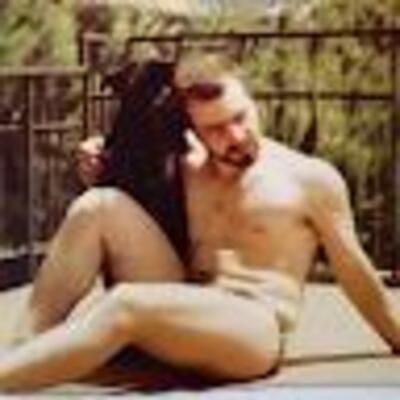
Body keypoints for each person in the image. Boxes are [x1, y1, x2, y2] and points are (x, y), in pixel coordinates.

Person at [0, 54, 399, 392]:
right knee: (97, 206)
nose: (235, 135)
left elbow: (355, 271)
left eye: (240, 117)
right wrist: (98, 158)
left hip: (253, 328)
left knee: (126, 304)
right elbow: (129, 162)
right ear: (193, 130)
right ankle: (23, 346)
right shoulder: (186, 168)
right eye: (215, 129)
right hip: (182, 303)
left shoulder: (309, 179)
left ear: (252, 100)